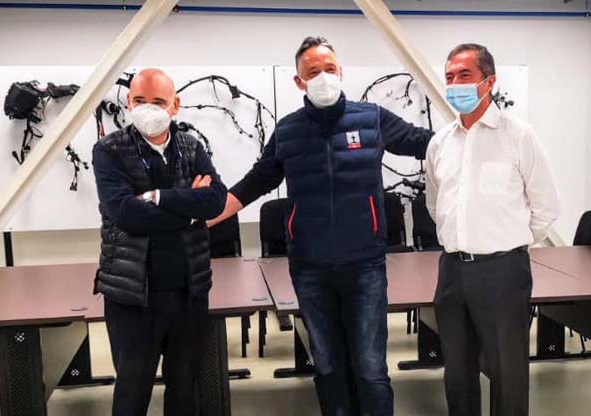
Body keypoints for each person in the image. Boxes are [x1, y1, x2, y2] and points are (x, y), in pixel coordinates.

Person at [207, 36, 434, 416]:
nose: (323, 77)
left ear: (340, 72)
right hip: (310, 269)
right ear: (299, 81)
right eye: (313, 72)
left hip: (365, 266)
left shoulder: (372, 118)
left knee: (370, 368)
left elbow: (424, 143)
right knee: (328, 367)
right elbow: (255, 182)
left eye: (329, 69)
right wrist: (203, 216)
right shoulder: (288, 131)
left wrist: (475, 137)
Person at [425, 44, 561, 416]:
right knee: (457, 372)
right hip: (452, 271)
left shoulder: (518, 136)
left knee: (507, 372)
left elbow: (546, 206)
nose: (455, 84)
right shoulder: (440, 143)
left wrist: (509, 243)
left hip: (502, 271)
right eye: (450, 77)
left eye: (464, 75)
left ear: (489, 82)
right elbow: (436, 204)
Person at [92, 68, 228, 415]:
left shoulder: (191, 146)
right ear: (128, 102)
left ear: (175, 105)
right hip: (133, 295)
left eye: (157, 101)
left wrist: (157, 197)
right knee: (132, 391)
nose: (148, 109)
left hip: (189, 290)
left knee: (185, 389)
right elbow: (127, 215)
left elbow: (215, 201)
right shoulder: (109, 150)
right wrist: (189, 210)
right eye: (139, 100)